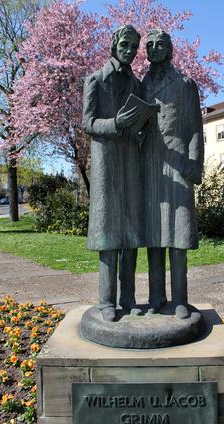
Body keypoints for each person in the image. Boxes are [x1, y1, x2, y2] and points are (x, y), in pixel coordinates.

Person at [82, 25, 144, 322]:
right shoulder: (95, 80)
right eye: (125, 44)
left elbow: (142, 122)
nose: (130, 50)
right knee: (107, 234)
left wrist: (140, 130)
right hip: (106, 162)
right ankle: (106, 301)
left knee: (130, 233)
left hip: (130, 160)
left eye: (134, 46)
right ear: (114, 43)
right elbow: (88, 122)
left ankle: (128, 297)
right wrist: (115, 123)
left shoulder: (137, 83)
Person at [142, 29, 204, 319]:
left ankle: (180, 297)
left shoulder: (185, 84)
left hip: (179, 162)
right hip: (151, 163)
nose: (154, 49)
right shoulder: (141, 84)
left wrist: (195, 163)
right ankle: (156, 296)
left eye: (160, 45)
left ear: (170, 50)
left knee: (178, 233)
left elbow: (194, 127)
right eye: (150, 45)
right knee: (155, 233)